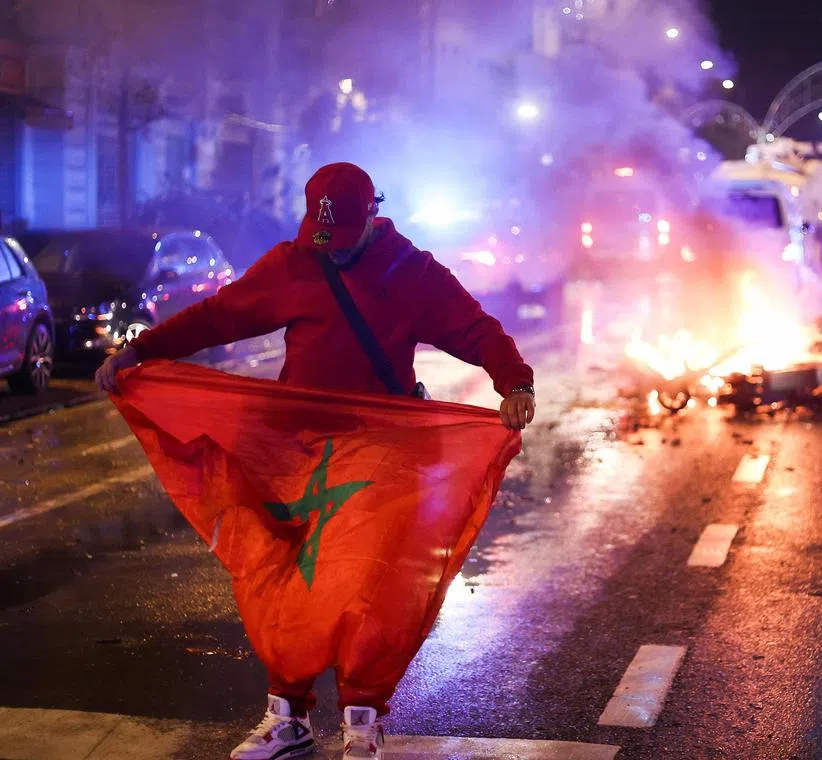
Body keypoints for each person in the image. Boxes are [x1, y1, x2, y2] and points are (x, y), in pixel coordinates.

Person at [95, 162, 537, 760]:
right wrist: (139, 352)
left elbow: (475, 330)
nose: (333, 251)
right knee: (285, 581)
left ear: (373, 214)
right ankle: (288, 718)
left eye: (344, 239)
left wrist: (515, 383)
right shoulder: (296, 262)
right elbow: (220, 316)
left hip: (382, 452)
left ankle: (362, 721)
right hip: (295, 453)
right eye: (322, 238)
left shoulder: (412, 272)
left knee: (369, 584)